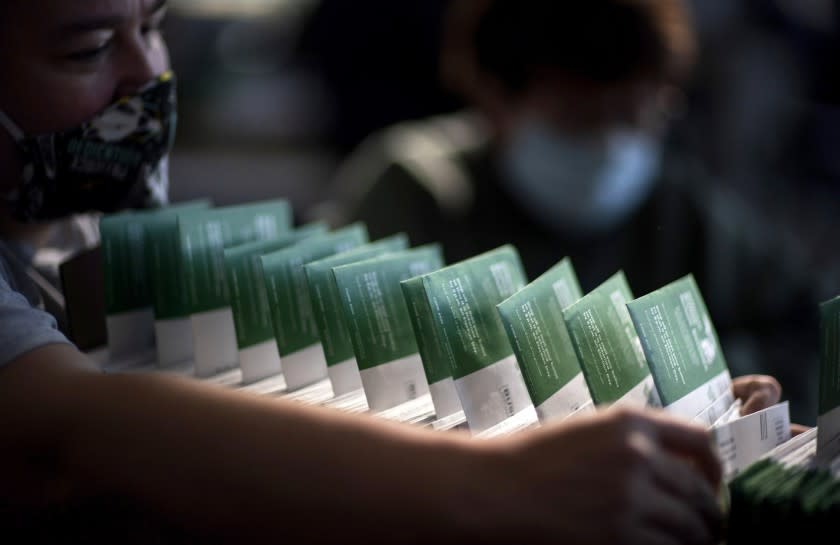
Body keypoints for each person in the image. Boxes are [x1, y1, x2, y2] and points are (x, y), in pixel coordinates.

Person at [0, 2, 786, 544]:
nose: (149, 74)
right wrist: (505, 483)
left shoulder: (61, 234)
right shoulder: (416, 187)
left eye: (155, 24)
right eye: (88, 48)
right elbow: (70, 427)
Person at [313, 0, 821, 425]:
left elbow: (801, 330)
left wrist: (730, 382)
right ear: (494, 97)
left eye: (632, 114)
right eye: (579, 118)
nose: (609, 147)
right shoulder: (416, 195)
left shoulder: (681, 208)